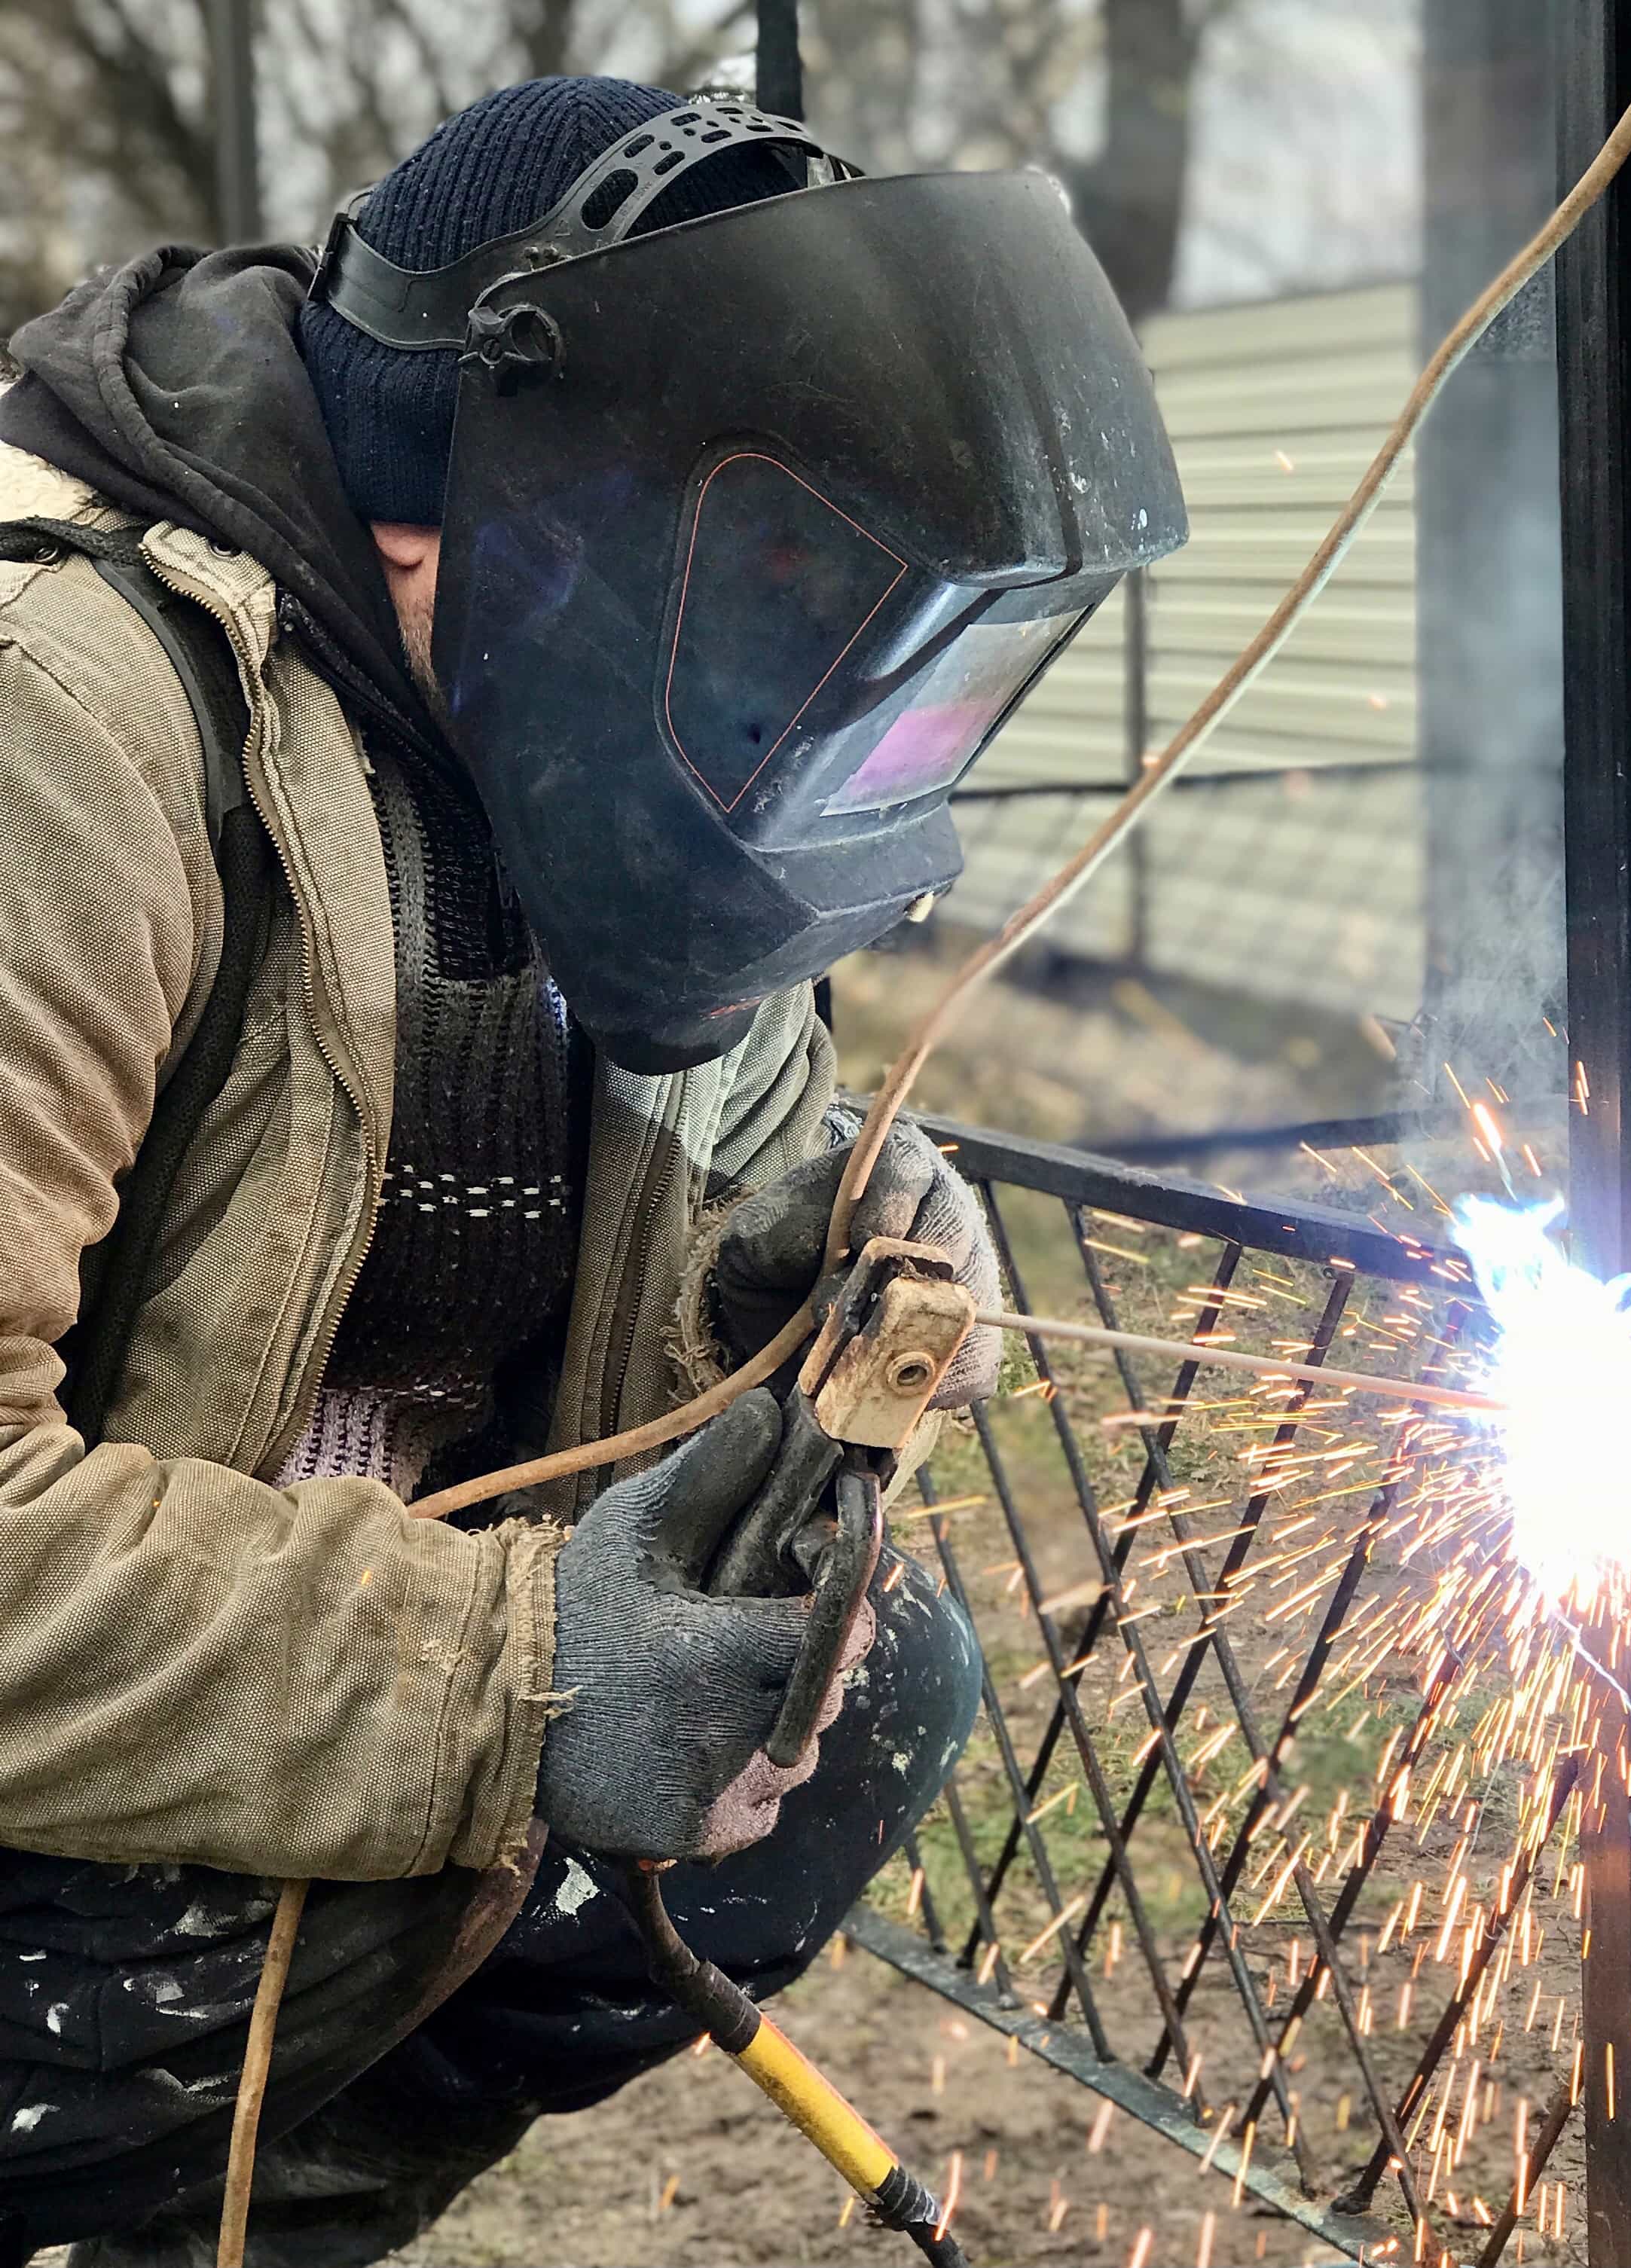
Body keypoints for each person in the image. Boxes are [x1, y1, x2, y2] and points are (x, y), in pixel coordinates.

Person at [0, 72, 1181, 2266]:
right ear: (468, 526)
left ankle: (259, 2219)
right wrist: (517, 1673)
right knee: (157, 1919)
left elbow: (668, 1201)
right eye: (746, 623)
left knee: (848, 1684)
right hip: (62, 1790)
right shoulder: (60, 727)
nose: (775, 717)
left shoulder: (575, 751)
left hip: (280, 1662)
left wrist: (817, 1250)